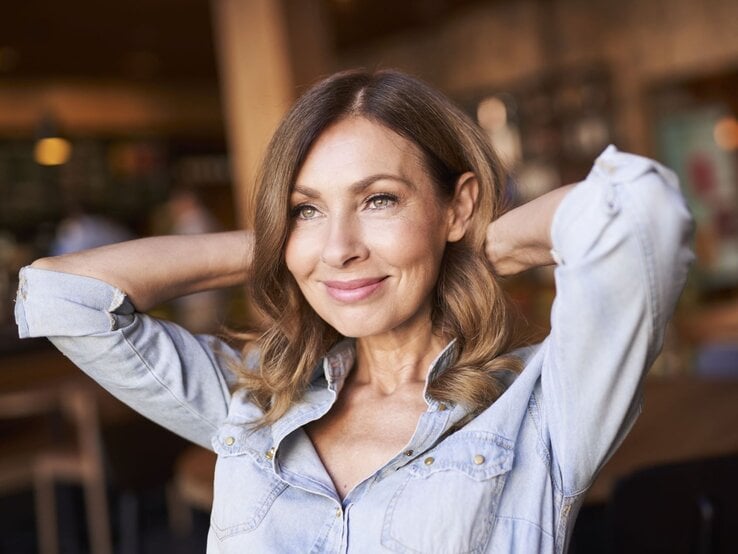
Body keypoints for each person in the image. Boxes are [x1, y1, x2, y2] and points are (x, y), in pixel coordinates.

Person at [15, 69, 693, 553]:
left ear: (456, 204)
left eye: (379, 200)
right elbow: (63, 297)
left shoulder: (543, 407)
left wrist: (493, 238)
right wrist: (285, 248)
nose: (340, 248)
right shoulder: (251, 399)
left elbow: (639, 211)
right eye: (308, 208)